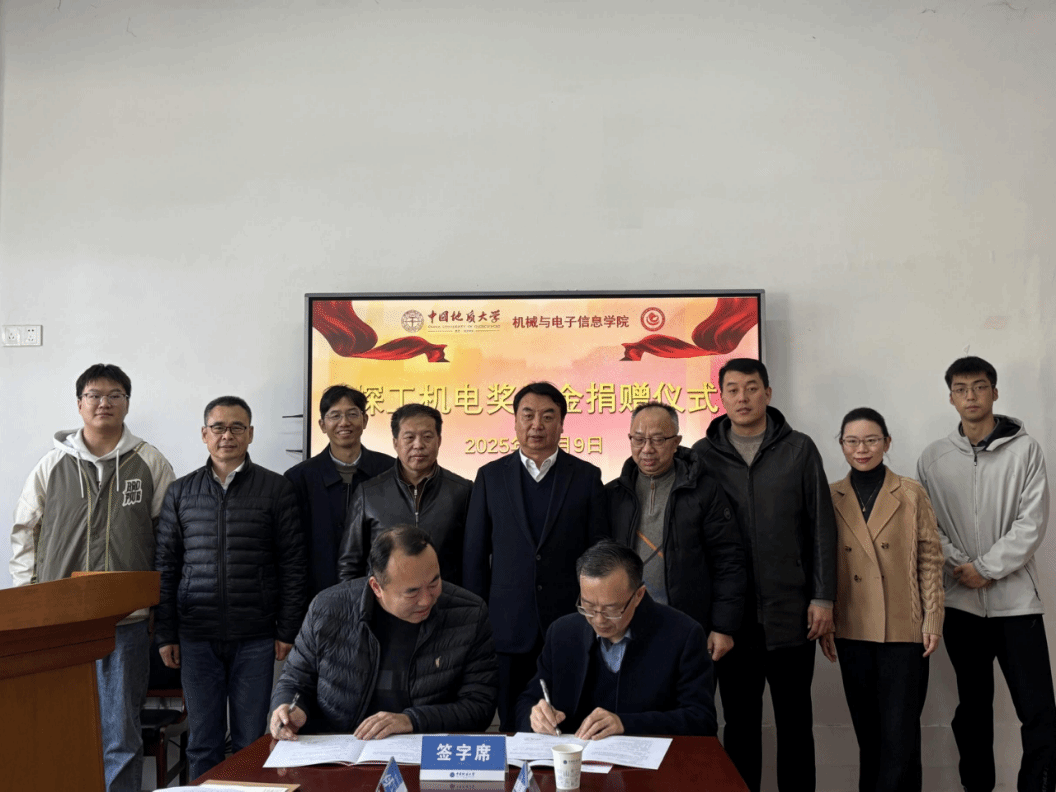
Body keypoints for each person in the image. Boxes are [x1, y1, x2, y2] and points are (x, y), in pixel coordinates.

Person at [10, 363, 175, 792]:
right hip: (61, 624)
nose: (104, 403)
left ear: (127, 403)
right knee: (60, 727)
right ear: (80, 404)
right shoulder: (52, 464)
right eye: (94, 395)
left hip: (127, 623)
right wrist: (30, 600)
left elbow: (170, 538)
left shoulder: (150, 462)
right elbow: (24, 532)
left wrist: (158, 605)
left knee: (120, 733)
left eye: (115, 395)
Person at [691, 358, 836, 792]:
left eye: (751, 388)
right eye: (733, 389)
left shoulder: (799, 449)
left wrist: (823, 597)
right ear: (721, 397)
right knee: (739, 725)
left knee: (795, 723)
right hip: (731, 621)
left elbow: (821, 526)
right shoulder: (702, 455)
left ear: (768, 393)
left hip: (792, 613)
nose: (743, 398)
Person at [917, 356, 1056, 792]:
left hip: (1017, 605)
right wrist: (965, 567)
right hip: (961, 607)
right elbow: (929, 526)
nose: (971, 396)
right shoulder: (933, 458)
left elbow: (1032, 522)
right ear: (951, 398)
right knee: (973, 711)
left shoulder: (1026, 450)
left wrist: (986, 568)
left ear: (994, 392)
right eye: (961, 389)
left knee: (1038, 711)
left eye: (979, 387)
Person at [155, 395, 307, 780]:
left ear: (250, 434)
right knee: (202, 742)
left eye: (237, 427)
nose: (227, 435)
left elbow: (292, 564)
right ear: (204, 434)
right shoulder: (180, 492)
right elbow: (166, 567)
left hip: (255, 635)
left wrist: (287, 629)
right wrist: (166, 632)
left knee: (250, 739)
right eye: (218, 427)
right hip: (196, 635)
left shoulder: (276, 489)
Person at [463, 381, 609, 731]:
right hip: (508, 627)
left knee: (571, 720)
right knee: (512, 723)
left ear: (562, 423)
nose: (536, 425)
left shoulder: (586, 477)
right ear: (515, 421)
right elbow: (475, 556)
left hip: (571, 623)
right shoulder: (490, 477)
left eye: (548, 416)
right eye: (527, 415)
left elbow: (600, 555)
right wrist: (476, 622)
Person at [269, 525, 498, 739]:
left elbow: (479, 705)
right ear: (377, 587)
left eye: (434, 583)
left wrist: (412, 720)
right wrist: (288, 708)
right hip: (341, 745)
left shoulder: (469, 615)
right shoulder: (327, 610)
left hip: (422, 748)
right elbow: (295, 681)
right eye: (412, 592)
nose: (427, 600)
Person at [818, 407, 944, 792]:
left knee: (900, 736)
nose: (862, 449)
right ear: (841, 445)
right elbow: (822, 562)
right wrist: (827, 621)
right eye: (852, 441)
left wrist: (933, 618)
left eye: (871, 440)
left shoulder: (910, 492)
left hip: (904, 629)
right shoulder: (830, 495)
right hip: (852, 627)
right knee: (868, 735)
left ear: (887, 443)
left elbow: (930, 558)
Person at [516, 539, 717, 738]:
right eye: (588, 606)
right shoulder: (562, 632)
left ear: (639, 595)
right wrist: (534, 716)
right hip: (573, 753)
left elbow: (702, 719)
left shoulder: (683, 635)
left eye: (611, 609)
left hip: (647, 757)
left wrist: (626, 724)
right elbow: (527, 701)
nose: (598, 620)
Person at [606, 402, 745, 660]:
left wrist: (723, 627)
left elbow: (728, 560)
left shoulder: (704, 491)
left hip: (689, 625)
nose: (647, 449)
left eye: (658, 439)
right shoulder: (613, 494)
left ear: (676, 442)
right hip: (627, 627)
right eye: (639, 439)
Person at [338, 403, 471, 584]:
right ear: (395, 443)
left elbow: (473, 560)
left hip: (444, 599)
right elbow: (349, 566)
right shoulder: (368, 493)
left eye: (427, 437)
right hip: (384, 600)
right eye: (409, 437)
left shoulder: (462, 491)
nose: (418, 445)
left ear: (439, 441)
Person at [285, 385, 395, 600]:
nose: (344, 422)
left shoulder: (389, 471)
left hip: (378, 594)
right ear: (322, 425)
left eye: (352, 414)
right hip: (317, 595)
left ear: (365, 420)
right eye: (335, 415)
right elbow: (291, 549)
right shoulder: (298, 478)